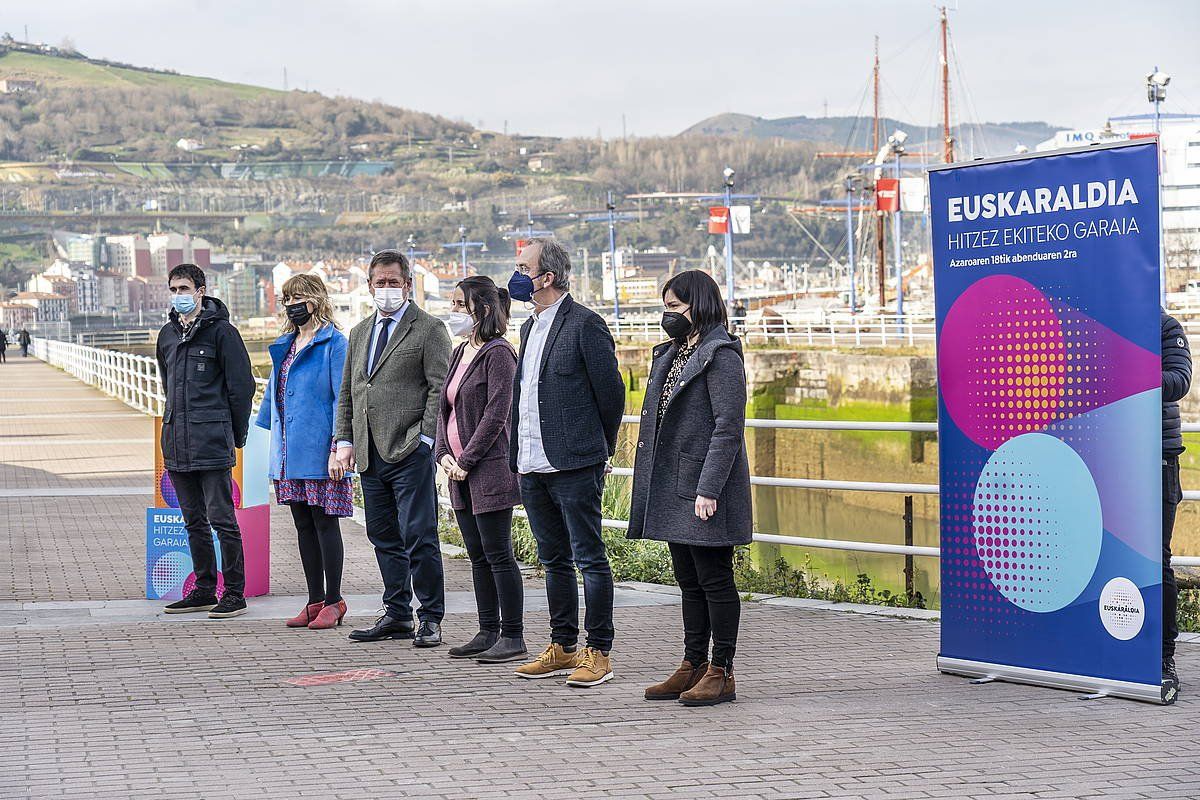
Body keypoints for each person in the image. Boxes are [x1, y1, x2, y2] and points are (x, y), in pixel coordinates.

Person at [628, 270, 752, 707]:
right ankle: (692, 663)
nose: (669, 316)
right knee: (688, 580)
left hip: (703, 486)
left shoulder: (721, 356)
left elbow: (728, 428)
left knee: (715, 578)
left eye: (676, 307)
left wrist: (710, 488)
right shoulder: (674, 353)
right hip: (673, 483)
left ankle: (722, 670)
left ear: (699, 306)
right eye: (666, 307)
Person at [507, 238, 625, 687]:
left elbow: (610, 395)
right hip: (533, 463)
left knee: (590, 559)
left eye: (523, 267)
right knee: (552, 560)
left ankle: (599, 652)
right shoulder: (529, 327)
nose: (517, 275)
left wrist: (599, 451)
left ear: (547, 276)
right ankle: (563, 645)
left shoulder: (585, 325)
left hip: (575, 463)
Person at [333, 249, 450, 647]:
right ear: (369, 286)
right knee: (382, 534)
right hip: (369, 453)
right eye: (379, 283)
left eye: (393, 282)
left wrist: (426, 440)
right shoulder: (359, 332)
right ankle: (397, 612)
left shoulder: (429, 329)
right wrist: (344, 439)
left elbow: (440, 388)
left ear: (407, 284)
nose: (386, 289)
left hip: (408, 449)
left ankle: (430, 617)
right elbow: (350, 390)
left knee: (419, 534)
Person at [435, 276, 527, 663]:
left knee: (498, 553)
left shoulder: (499, 353)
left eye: (460, 305)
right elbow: (444, 407)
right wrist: (442, 453)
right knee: (476, 554)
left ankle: (513, 635)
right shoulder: (460, 353)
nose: (454, 312)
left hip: (487, 470)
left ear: (482, 310)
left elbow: (497, 413)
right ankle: (487, 629)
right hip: (457, 471)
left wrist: (467, 460)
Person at [157, 263, 256, 619]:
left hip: (212, 441)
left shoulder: (222, 334)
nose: (179, 296)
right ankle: (202, 588)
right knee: (193, 520)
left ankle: (233, 592)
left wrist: (235, 434)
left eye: (184, 289)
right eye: (173, 289)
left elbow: (241, 387)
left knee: (222, 519)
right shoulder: (167, 335)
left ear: (201, 291)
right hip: (177, 442)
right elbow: (167, 384)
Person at [256, 274, 352, 630]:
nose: (292, 304)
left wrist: (339, 446)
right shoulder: (285, 344)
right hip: (289, 452)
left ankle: (335, 600)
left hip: (321, 449)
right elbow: (274, 398)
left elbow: (343, 397)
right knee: (302, 524)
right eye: (286, 298)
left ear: (316, 298)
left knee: (325, 523)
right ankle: (314, 600)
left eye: (298, 297)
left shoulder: (334, 343)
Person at [1162, 309, 1191, 686]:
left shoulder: (1166, 326)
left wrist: (1132, 377)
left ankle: (1163, 656)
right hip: (1109, 457)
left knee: (1156, 558)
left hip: (1157, 458)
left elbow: (1180, 380)